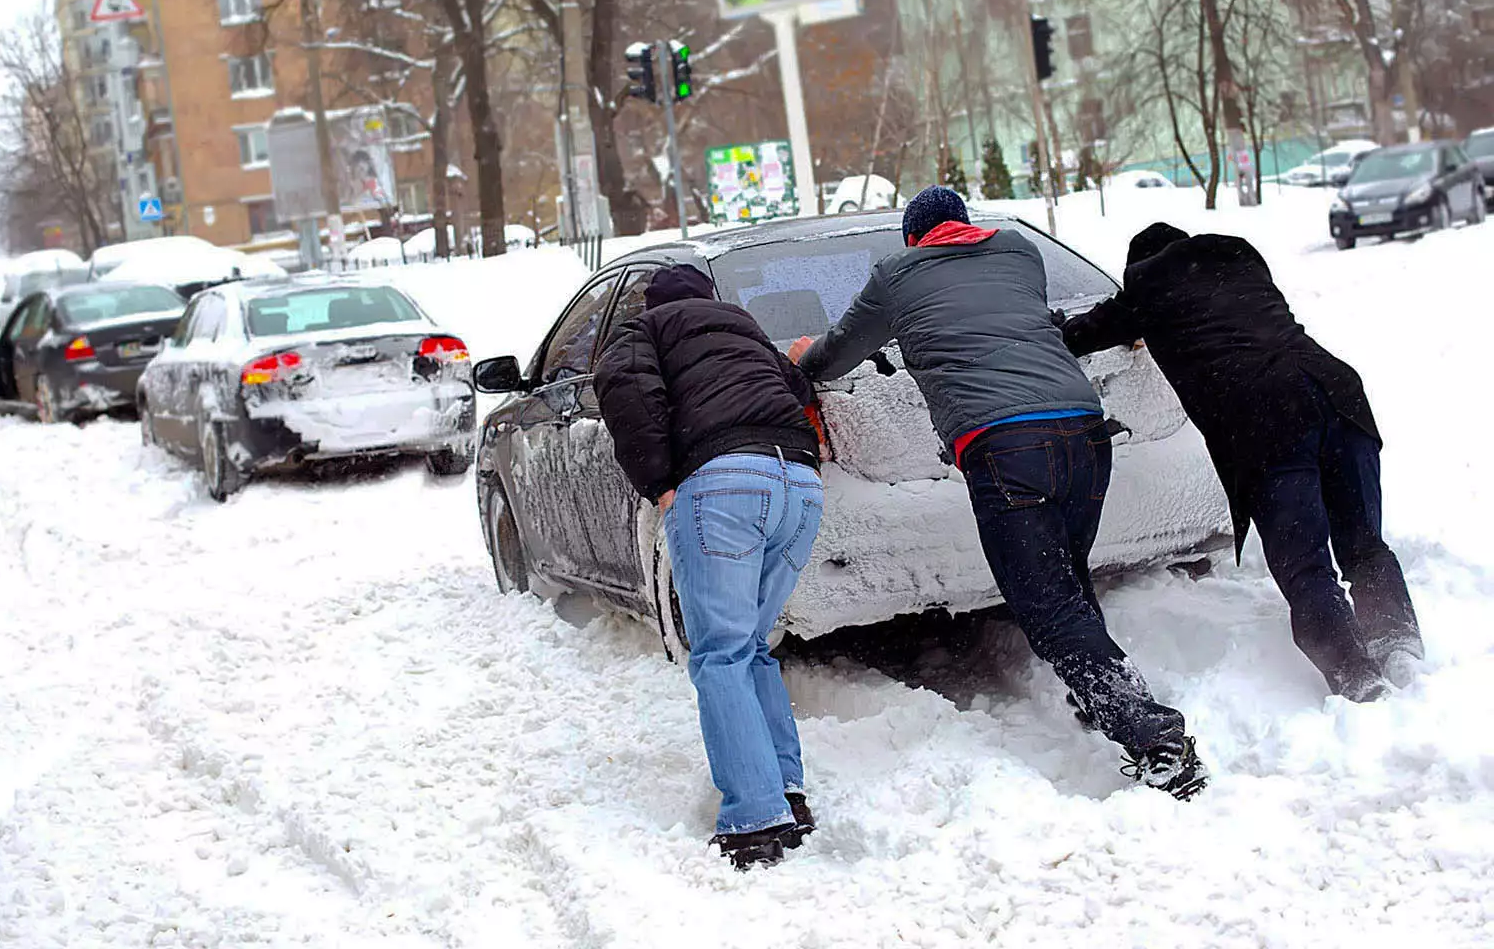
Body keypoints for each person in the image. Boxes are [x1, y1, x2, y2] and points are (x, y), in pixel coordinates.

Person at [791, 186, 1207, 800]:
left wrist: (805, 357)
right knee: (1065, 579)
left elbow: (836, 357)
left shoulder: (896, 276)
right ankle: (1101, 697)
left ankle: (1153, 736)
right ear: (966, 226)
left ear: (914, 239)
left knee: (1046, 606)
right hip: (1086, 435)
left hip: (1006, 448)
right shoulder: (1020, 253)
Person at [1061, 223, 1421, 701]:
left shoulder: (1147, 288)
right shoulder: (1239, 256)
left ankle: (1355, 675)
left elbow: (1080, 334)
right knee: (1364, 543)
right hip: (1337, 392)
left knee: (1305, 564)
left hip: (1268, 417)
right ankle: (1396, 641)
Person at [593, 264, 825, 869]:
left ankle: (754, 818)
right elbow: (799, 390)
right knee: (751, 646)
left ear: (653, 303)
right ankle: (786, 793)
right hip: (800, 483)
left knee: (720, 652)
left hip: (724, 484)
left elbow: (624, 391)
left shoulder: (643, 331)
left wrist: (658, 480)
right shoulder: (746, 329)